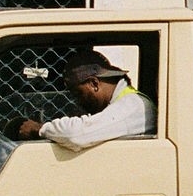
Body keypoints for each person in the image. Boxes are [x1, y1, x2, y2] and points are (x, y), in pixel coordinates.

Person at [15, 52, 156, 149]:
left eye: (78, 94)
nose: (78, 101)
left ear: (94, 84)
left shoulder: (133, 106)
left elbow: (76, 134)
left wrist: (39, 128)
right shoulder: (123, 103)